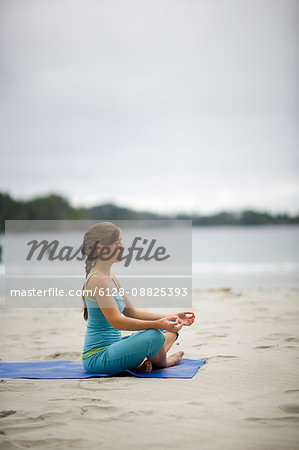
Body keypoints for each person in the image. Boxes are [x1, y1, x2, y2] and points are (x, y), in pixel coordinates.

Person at [81, 221, 195, 374]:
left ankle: (142, 361)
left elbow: (132, 312)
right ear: (101, 247)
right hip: (98, 357)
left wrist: (172, 317)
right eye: (117, 243)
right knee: (154, 335)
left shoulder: (111, 278)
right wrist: (156, 324)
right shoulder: (97, 280)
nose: (122, 247)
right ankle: (165, 362)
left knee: (168, 332)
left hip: (115, 348)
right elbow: (117, 322)